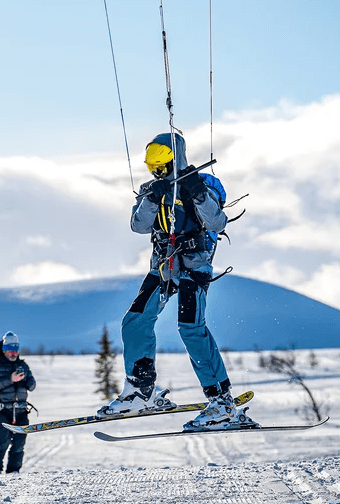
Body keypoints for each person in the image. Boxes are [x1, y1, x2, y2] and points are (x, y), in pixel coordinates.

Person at [97, 132, 257, 431]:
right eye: (152, 167)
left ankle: (222, 403)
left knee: (190, 328)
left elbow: (217, 222)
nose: (157, 173)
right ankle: (141, 391)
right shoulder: (151, 190)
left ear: (175, 160)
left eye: (161, 166)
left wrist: (196, 193)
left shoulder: (202, 184)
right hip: (164, 267)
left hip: (193, 267)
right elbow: (138, 226)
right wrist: (152, 197)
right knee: (134, 321)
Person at [0, 331, 36, 474]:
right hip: (3, 411)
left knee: (19, 444)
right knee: (0, 442)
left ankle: (14, 472)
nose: (13, 354)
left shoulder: (23, 365)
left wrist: (27, 380)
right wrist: (10, 379)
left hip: (21, 410)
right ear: (3, 350)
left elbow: (32, 387)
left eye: (15, 350)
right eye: (9, 351)